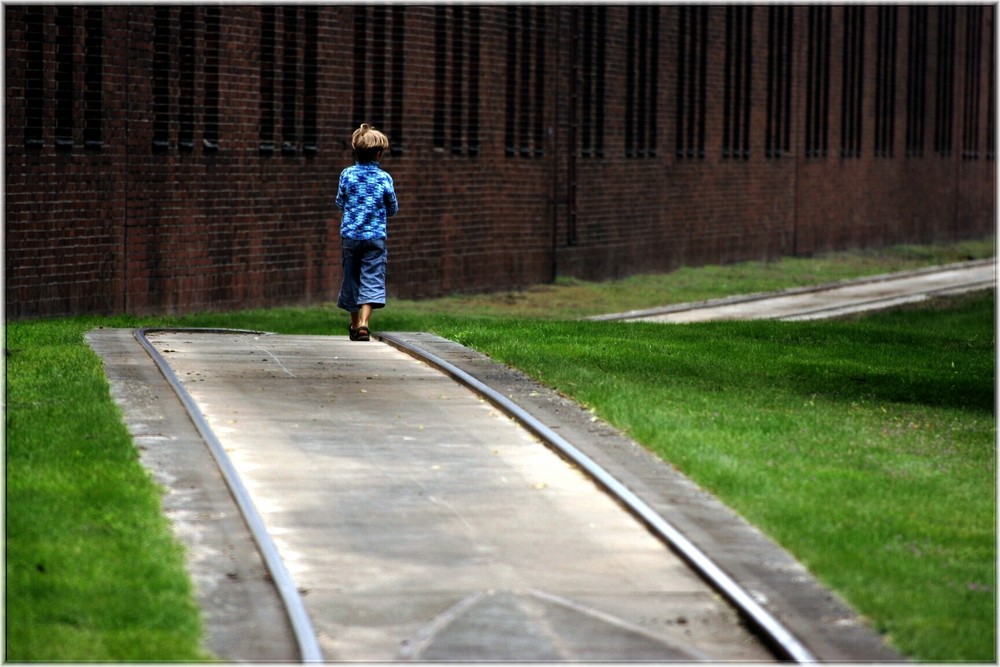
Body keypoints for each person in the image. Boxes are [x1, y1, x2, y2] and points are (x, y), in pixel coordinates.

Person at [335, 124, 398, 341]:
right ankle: (364, 323)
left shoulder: (347, 175)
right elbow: (392, 208)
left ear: (355, 151)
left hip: (351, 237)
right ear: (379, 154)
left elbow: (339, 202)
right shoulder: (384, 178)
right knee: (371, 277)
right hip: (375, 238)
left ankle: (354, 323)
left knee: (351, 277)